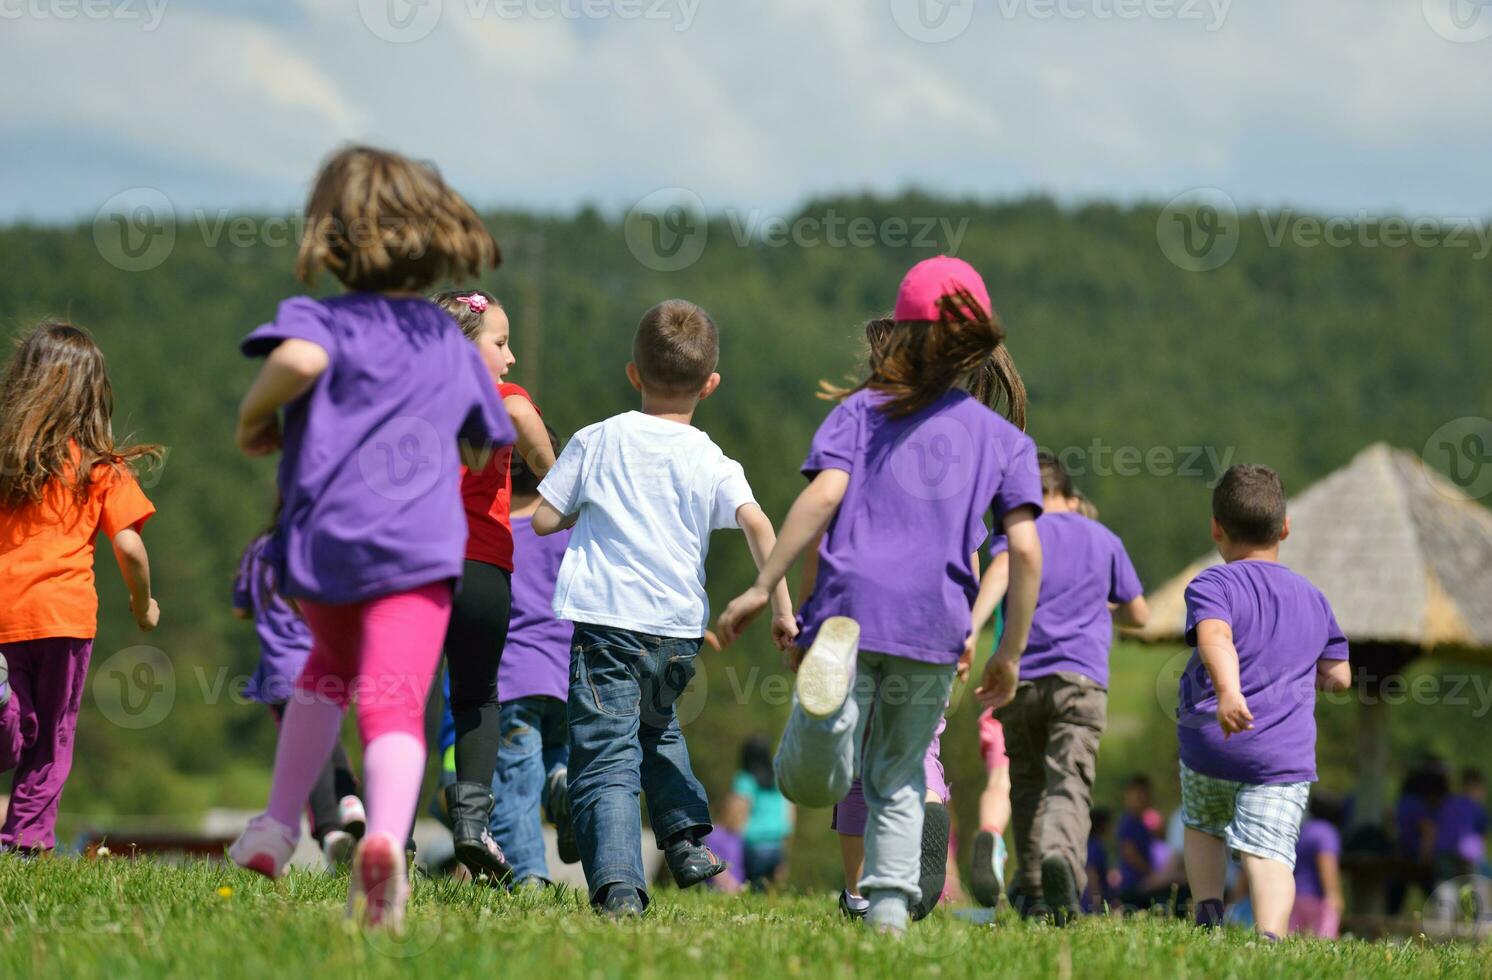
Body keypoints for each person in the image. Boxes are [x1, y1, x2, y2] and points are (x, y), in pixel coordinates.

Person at [228, 145, 513, 932]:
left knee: (322, 672)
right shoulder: (440, 340)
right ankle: (385, 836)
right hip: (418, 554)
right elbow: (487, 437)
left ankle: (280, 825)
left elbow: (300, 358)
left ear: (333, 235)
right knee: (393, 702)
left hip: (323, 550)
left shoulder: (321, 319)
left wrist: (256, 417)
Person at [717, 255, 1042, 935]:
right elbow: (1027, 553)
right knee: (899, 772)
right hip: (935, 624)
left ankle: (824, 724)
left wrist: (764, 584)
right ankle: (889, 911)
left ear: (898, 334)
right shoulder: (1004, 441)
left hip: (850, 610)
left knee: (813, 783)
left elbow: (823, 499)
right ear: (975, 345)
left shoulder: (859, 413)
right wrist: (1007, 651)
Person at [532, 299, 795, 918]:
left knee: (604, 758)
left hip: (606, 626)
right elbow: (758, 525)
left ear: (632, 374)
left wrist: (578, 503)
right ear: (710, 384)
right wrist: (779, 604)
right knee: (657, 729)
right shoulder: (710, 456)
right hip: (676, 635)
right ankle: (683, 836)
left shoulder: (597, 440)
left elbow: (544, 519)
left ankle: (620, 887)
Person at [0, 323, 161, 851]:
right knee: (50, 739)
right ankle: (24, 843)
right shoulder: (100, 468)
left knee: (17, 726)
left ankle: (2, 703)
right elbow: (131, 548)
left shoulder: (7, 464)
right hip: (63, 619)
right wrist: (143, 604)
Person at [970, 451, 1148, 920]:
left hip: (1021, 681)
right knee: (1068, 780)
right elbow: (1139, 614)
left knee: (1026, 784)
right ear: (1069, 495)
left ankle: (1031, 888)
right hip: (1080, 680)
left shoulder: (1018, 535)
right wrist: (1101, 606)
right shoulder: (1103, 538)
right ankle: (1059, 857)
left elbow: (1002, 572)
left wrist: (970, 630)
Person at [1178, 464, 1353, 941]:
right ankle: (1269, 940)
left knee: (1203, 826)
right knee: (1269, 852)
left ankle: (1207, 916)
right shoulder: (1314, 599)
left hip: (1211, 745)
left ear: (1217, 528)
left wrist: (1229, 691)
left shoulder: (1212, 584)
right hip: (1280, 758)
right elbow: (1340, 676)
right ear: (1285, 528)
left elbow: (1215, 634)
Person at [427, 287, 557, 884]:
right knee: (477, 696)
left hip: (413, 568)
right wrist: (555, 475)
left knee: (400, 693)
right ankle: (473, 828)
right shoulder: (503, 396)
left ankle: (388, 830)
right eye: (500, 344)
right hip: (481, 568)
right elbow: (524, 418)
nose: (509, 359)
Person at [233, 515, 366, 867]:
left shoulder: (259, 551)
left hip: (280, 670)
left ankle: (329, 831)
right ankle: (350, 799)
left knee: (306, 752)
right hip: (322, 662)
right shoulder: (320, 546)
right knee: (327, 738)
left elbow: (240, 607)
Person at [487, 424, 575, 885]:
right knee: (556, 751)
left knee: (517, 784)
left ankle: (529, 879)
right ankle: (562, 782)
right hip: (566, 677)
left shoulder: (491, 532)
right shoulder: (567, 531)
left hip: (514, 677)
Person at [733, 736, 794, 890]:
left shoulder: (745, 779)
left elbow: (739, 813)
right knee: (772, 891)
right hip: (777, 843)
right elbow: (790, 813)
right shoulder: (779, 780)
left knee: (753, 889)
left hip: (754, 844)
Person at [969, 705, 1013, 908]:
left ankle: (992, 836)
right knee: (1042, 794)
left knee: (999, 781)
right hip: (1049, 706)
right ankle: (1034, 875)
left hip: (1001, 709)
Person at [1290, 791, 1345, 938]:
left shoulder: (1303, 829)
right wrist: (1333, 894)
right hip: (1316, 899)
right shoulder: (1327, 832)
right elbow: (1326, 862)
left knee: (1292, 940)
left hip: (1295, 895)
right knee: (1324, 940)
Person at [1117, 775, 1165, 910]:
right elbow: (1130, 854)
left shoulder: (1149, 821)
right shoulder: (1127, 822)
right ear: (1127, 795)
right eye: (1137, 794)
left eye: (1145, 794)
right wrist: (1151, 873)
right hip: (1133, 884)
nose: (1141, 798)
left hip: (1150, 882)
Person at [1433, 768, 1488, 883]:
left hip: (1443, 849)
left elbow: (1436, 827)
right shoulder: (1476, 808)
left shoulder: (1448, 803)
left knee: (1446, 882)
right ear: (1474, 788)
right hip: (1466, 851)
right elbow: (1482, 836)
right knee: (1474, 882)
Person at [1083, 808, 1116, 913]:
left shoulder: (1089, 844)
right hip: (1091, 903)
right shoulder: (1095, 846)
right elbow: (1091, 874)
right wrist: (1096, 905)